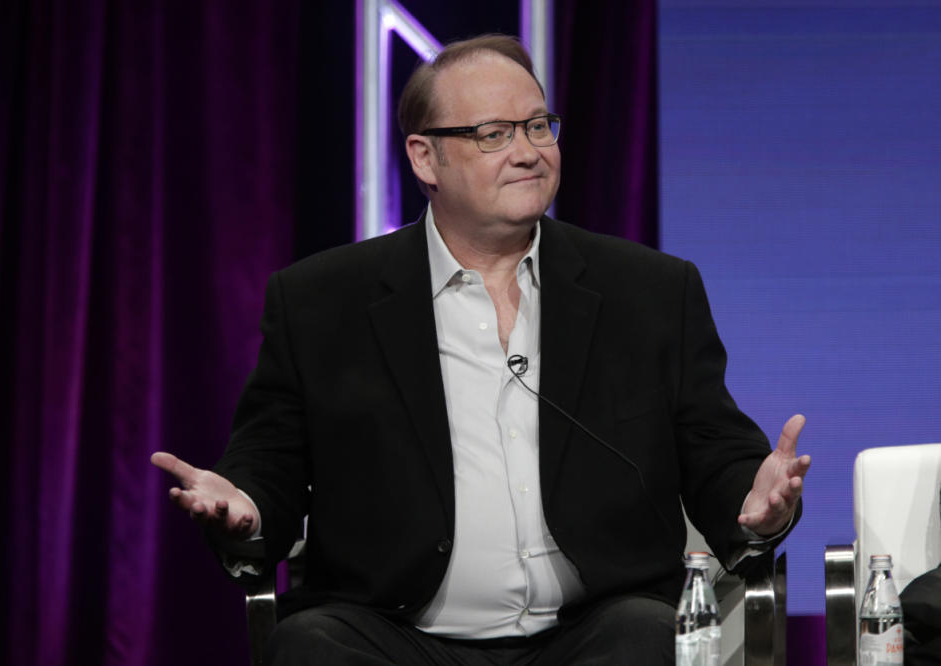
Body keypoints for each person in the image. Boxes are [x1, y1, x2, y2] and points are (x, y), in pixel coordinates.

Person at [151, 34, 810, 665]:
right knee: (312, 645)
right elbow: (270, 462)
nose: (528, 151)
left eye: (538, 126)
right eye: (493, 134)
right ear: (423, 157)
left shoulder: (650, 291)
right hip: (392, 631)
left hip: (593, 631)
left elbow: (714, 451)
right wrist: (246, 508)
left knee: (644, 635)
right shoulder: (322, 301)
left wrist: (753, 502)